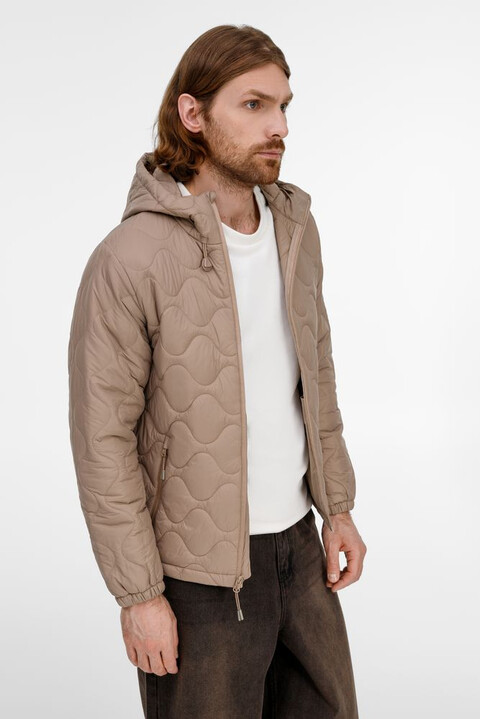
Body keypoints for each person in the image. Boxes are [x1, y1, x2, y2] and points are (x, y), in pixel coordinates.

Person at [68, 23, 367, 719]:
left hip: (301, 553)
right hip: (196, 579)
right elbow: (102, 440)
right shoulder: (130, 257)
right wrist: (140, 595)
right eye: (254, 105)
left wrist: (338, 507)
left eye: (284, 106)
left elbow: (315, 377)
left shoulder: (295, 231)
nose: (279, 126)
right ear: (193, 113)